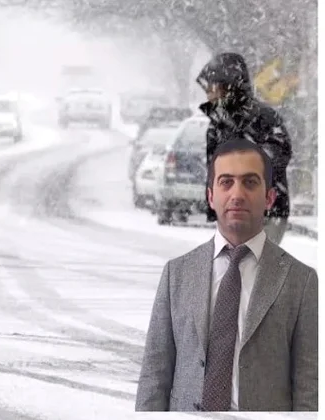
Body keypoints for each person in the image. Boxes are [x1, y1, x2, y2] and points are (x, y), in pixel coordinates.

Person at [135, 138, 317, 411]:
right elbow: (154, 376)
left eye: (250, 182)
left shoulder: (300, 281)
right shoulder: (178, 274)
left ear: (269, 197)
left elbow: (310, 388)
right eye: (226, 182)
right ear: (211, 196)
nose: (237, 194)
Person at [196, 52, 293, 244]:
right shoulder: (217, 125)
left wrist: (249, 164)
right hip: (233, 211)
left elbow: (280, 152)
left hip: (265, 211)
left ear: (227, 86)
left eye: (211, 87)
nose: (208, 93)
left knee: (254, 266)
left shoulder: (263, 118)